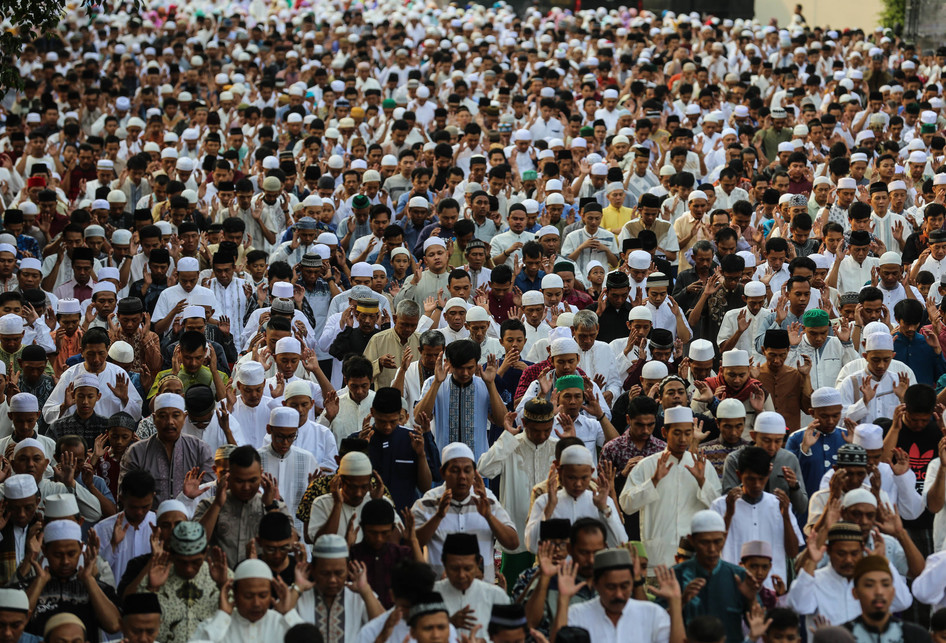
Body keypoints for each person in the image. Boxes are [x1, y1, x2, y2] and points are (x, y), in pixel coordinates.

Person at [621, 405, 721, 570]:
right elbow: (627, 505)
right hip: (658, 559)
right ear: (664, 432)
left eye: (687, 433)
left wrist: (702, 481)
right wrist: (653, 481)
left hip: (693, 557)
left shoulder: (703, 466)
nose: (683, 439)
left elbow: (717, 508)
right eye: (677, 433)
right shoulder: (647, 466)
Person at [478, 398, 558, 587]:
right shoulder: (510, 445)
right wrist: (507, 436)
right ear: (524, 424)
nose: (541, 436)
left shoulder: (558, 447)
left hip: (550, 534)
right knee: (514, 592)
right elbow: (484, 469)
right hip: (517, 536)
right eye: (536, 431)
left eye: (547, 430)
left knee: (546, 591)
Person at [412, 442, 518, 583]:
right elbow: (411, 542)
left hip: (481, 592)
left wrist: (488, 516)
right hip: (438, 593)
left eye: (467, 470)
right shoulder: (427, 502)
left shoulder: (487, 499)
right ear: (443, 472)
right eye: (455, 470)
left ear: (474, 473)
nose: (462, 476)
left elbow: (512, 543)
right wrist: (438, 517)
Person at [710, 447, 802, 588]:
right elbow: (713, 549)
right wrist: (728, 515)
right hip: (732, 586)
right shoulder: (721, 505)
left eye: (761, 479)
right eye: (751, 479)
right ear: (739, 475)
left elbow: (793, 552)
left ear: (769, 473)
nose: (757, 485)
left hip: (773, 587)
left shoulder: (779, 504)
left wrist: (786, 518)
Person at [553, 547, 683, 643]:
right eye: (611, 587)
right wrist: (563, 600)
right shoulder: (577, 614)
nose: (619, 594)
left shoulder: (652, 613)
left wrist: (675, 603)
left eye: (624, 586)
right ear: (596, 584)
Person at [194, 444, 287, 567]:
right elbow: (195, 543)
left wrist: (270, 506)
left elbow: (289, 542)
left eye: (252, 480)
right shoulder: (208, 505)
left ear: (261, 473)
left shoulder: (276, 506)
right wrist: (217, 505)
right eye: (239, 481)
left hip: (260, 582)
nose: (246, 487)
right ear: (228, 476)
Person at [135, 521, 227, 643]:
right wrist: (152, 589)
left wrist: (223, 586)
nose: (188, 569)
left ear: (205, 552)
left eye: (195, 562)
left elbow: (241, 620)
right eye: (182, 562)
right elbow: (136, 623)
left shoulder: (223, 576)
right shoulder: (154, 577)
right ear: (172, 555)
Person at [284, 534, 386, 643]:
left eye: (339, 573)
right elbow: (276, 622)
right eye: (325, 573)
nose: (332, 580)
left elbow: (385, 628)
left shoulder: (360, 595)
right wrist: (297, 587)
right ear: (312, 569)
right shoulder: (298, 594)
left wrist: (366, 590)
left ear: (348, 569)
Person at [525, 444, 625, 553]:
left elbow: (620, 543)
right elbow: (532, 545)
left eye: (584, 478)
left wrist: (604, 509)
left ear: (591, 473)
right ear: (560, 472)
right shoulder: (544, 501)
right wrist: (549, 507)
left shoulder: (602, 501)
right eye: (571, 477)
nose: (578, 484)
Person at [672, 510, 753, 643]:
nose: (712, 549)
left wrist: (751, 599)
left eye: (717, 542)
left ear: (725, 537)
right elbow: (658, 624)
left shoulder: (739, 576)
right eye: (704, 543)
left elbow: (758, 624)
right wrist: (680, 602)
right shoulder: (675, 576)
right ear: (692, 540)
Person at [354, 386, 438, 511]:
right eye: (382, 421)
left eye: (393, 421)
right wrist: (360, 450)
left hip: (403, 517)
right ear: (372, 412)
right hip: (366, 516)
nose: (387, 427)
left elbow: (425, 487)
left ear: (400, 414)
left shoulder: (414, 439)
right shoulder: (357, 440)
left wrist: (421, 455)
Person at [120, 393, 213, 503]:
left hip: (191, 517)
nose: (170, 422)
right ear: (154, 418)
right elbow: (125, 496)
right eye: (163, 416)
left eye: (176, 415)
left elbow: (209, 493)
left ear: (184, 418)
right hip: (148, 518)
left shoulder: (200, 448)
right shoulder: (136, 452)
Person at [190, 558, 304, 643]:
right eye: (248, 596)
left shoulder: (283, 624)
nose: (256, 603)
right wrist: (222, 615)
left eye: (263, 595)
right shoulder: (215, 624)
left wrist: (289, 613)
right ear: (235, 594)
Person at [433, 532, 511, 633]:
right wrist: (448, 624)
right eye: (455, 568)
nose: (461, 575)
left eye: (467, 568)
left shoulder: (496, 596)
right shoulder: (432, 594)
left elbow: (507, 635)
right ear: (444, 564)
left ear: (478, 563)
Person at [843, 555, 932, 643]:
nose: (879, 592)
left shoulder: (916, 636)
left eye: (885, 585)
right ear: (855, 593)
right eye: (869, 585)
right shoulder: (841, 637)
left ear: (893, 592)